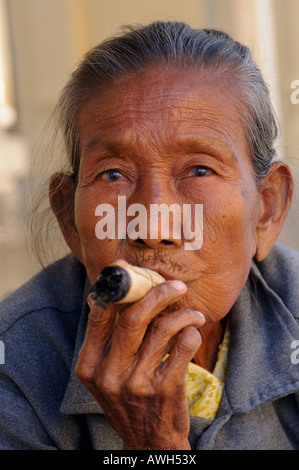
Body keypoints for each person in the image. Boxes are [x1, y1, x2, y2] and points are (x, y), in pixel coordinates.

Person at [0, 20, 298, 450]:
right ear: (69, 219)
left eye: (199, 170)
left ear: (266, 209)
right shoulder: (14, 373)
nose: (152, 225)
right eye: (114, 174)